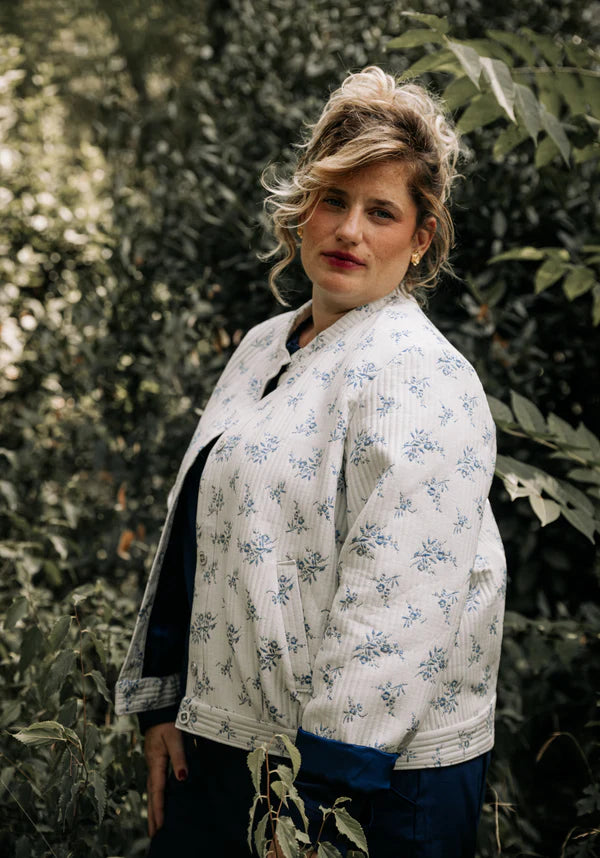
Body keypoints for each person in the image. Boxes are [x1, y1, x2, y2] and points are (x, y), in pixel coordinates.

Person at [115, 65, 506, 857]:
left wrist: (312, 802)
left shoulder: (422, 377)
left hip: (363, 790)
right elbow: (201, 527)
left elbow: (395, 611)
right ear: (303, 210)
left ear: (420, 236)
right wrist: (165, 704)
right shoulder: (267, 344)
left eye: (381, 211)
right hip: (225, 749)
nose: (348, 230)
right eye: (333, 199)